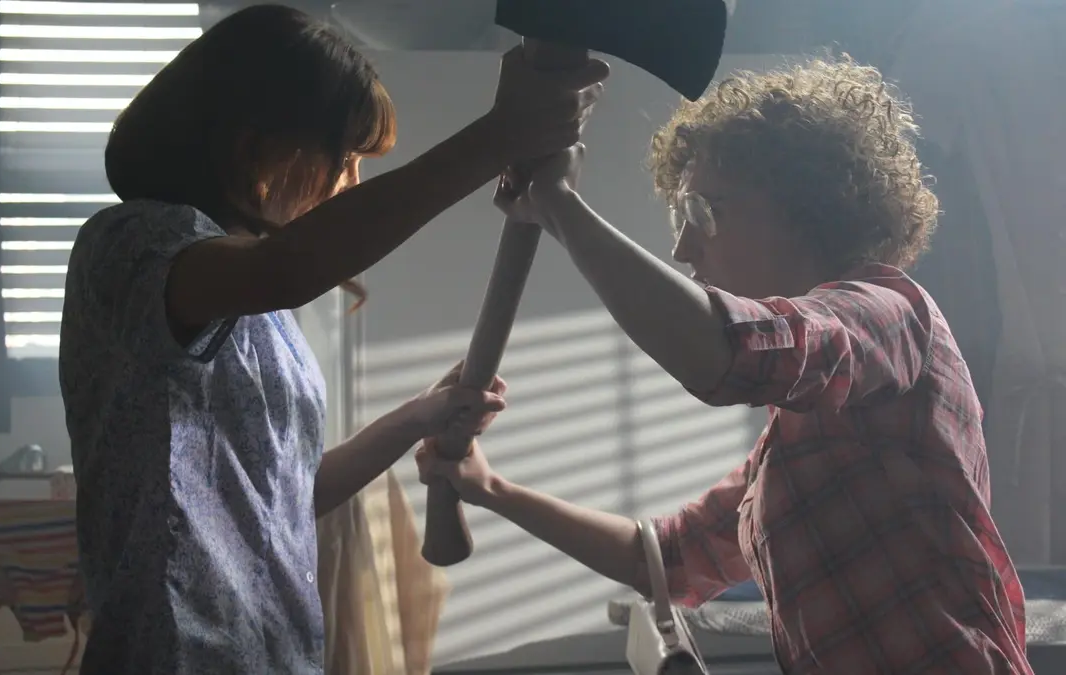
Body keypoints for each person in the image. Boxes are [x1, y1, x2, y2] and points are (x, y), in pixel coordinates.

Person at [418, 57, 1032, 673]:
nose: (683, 247)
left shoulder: (894, 315)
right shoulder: (794, 442)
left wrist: (559, 205)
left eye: (704, 211)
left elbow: (728, 353)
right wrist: (489, 488)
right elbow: (665, 560)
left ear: (804, 203)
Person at [58, 5, 608, 674]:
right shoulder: (131, 246)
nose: (351, 180)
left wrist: (420, 415)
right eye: (343, 156)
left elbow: (294, 495)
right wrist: (500, 137)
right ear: (256, 145)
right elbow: (286, 270)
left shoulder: (258, 308)